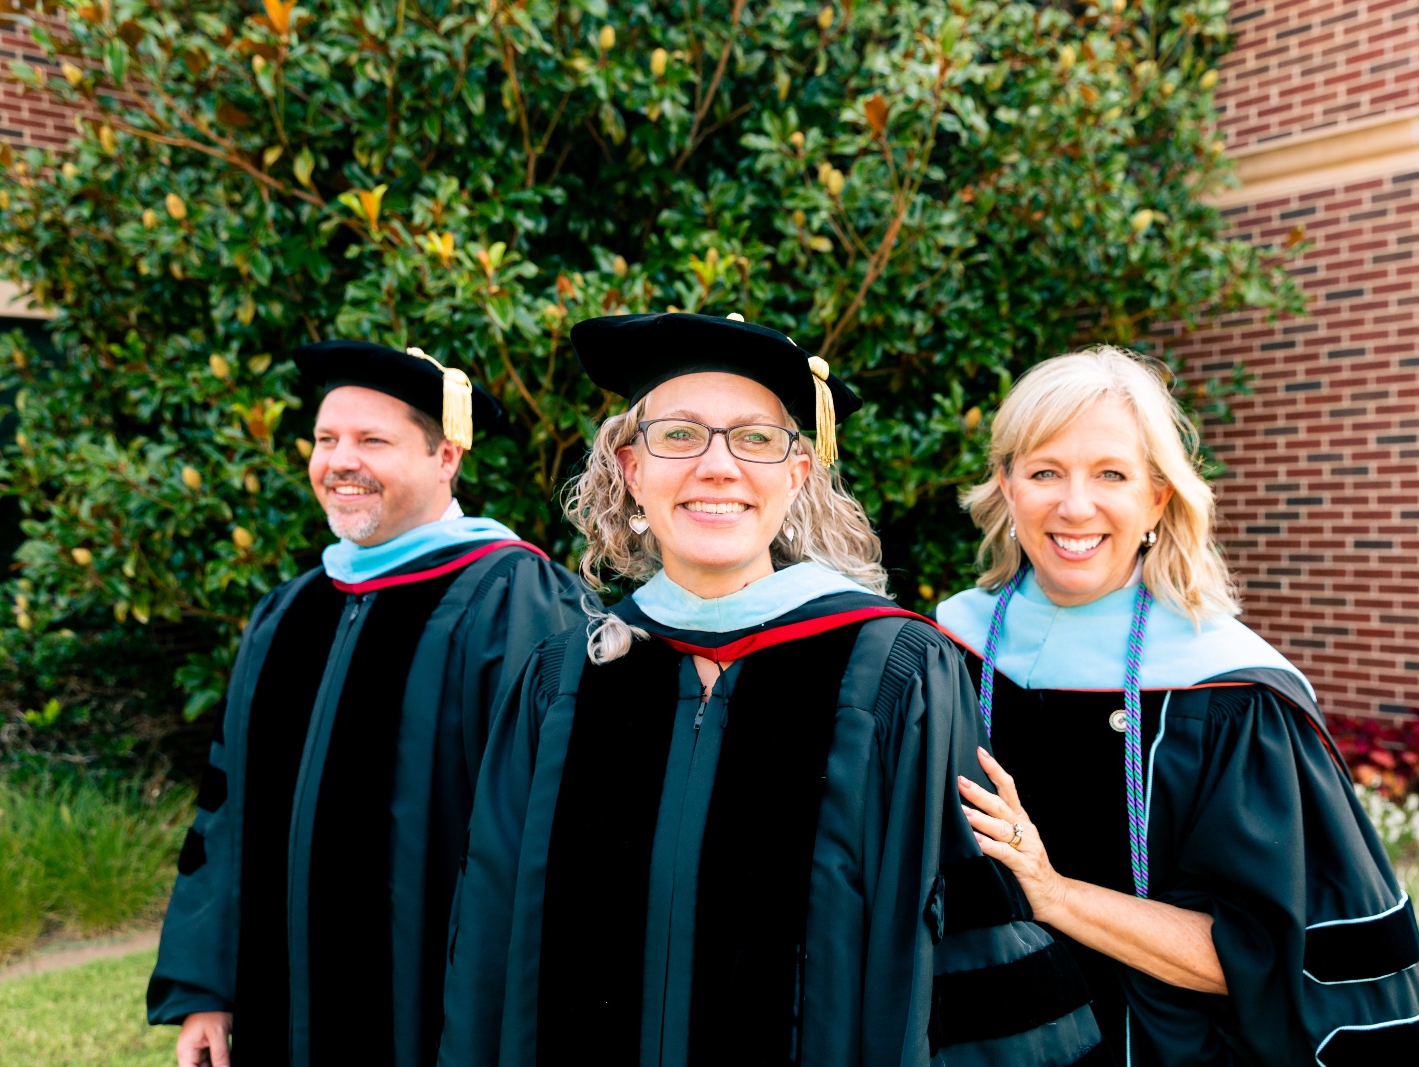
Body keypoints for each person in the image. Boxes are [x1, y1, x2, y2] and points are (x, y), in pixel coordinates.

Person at [436, 312, 1103, 1067]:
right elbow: (489, 943)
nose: (717, 466)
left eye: (755, 438)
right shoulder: (563, 682)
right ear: (630, 468)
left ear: (798, 472)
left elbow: (956, 941)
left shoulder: (895, 673)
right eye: (679, 434)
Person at [936, 347, 1419, 1066]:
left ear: (1157, 498)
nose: (1074, 505)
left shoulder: (1230, 696)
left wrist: (1053, 893)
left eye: (1111, 474)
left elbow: (1271, 957)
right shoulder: (946, 648)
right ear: (1007, 487)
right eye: (1045, 470)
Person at [147, 340, 589, 1067]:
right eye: (327, 439)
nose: (340, 460)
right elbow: (225, 813)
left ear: (446, 456)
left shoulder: (517, 602)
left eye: (372, 440)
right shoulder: (288, 613)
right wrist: (206, 988)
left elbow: (550, 841)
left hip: (437, 1023)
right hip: (275, 1007)